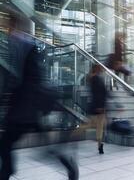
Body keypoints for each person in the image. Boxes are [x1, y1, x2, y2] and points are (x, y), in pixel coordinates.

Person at [0, 18, 78, 180]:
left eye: (7, 26)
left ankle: (7, 172)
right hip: (28, 107)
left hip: (25, 108)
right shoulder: (24, 46)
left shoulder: (25, 46)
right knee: (43, 150)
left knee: (5, 143)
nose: (6, 30)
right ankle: (67, 164)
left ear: (14, 27)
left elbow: (29, 79)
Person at [88, 64, 108, 154]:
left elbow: (102, 93)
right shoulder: (95, 79)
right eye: (101, 68)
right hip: (97, 107)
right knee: (92, 125)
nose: (102, 69)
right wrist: (99, 106)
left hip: (99, 106)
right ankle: (73, 134)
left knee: (99, 127)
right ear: (97, 69)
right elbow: (97, 94)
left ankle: (100, 145)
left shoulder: (96, 78)